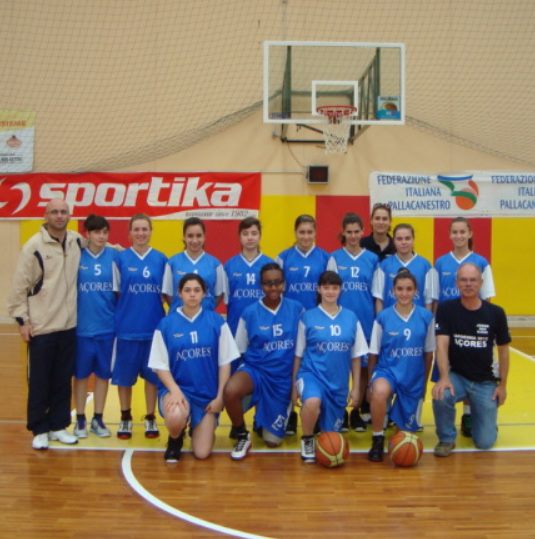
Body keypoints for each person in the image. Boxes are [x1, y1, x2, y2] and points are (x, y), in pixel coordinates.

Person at [8, 198, 81, 450]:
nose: (59, 216)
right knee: (40, 381)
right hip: (42, 327)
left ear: (69, 215)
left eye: (63, 212)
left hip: (68, 326)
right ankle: (39, 428)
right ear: (45, 216)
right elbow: (19, 287)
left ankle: (59, 425)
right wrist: (22, 320)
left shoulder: (75, 241)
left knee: (62, 380)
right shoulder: (33, 246)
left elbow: (101, 246)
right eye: (54, 212)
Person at [148, 274, 239, 462]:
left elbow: (225, 363)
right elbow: (160, 366)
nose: (192, 294)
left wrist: (220, 397)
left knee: (202, 453)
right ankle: (175, 438)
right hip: (178, 390)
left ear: (204, 294)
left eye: (197, 290)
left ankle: (198, 426)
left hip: (206, 395)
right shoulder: (166, 324)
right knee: (175, 416)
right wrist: (175, 391)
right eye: (187, 290)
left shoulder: (217, 322)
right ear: (179, 293)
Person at [223, 263, 303, 460]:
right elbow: (240, 349)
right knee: (231, 391)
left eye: (277, 283)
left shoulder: (297, 309)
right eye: (268, 283)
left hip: (282, 378)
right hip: (256, 370)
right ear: (261, 285)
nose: (273, 287)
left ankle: (264, 417)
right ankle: (242, 433)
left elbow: (303, 349)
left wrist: (296, 382)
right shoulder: (249, 313)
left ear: (284, 284)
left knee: (272, 442)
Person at [432, 263, 510, 457]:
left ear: (481, 283)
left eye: (473, 280)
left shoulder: (496, 313)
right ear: (457, 283)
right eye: (464, 280)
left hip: (485, 381)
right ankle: (446, 439)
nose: (468, 284)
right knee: (441, 394)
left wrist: (502, 385)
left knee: (485, 442)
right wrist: (444, 377)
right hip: (457, 376)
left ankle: (484, 421)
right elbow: (441, 345)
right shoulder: (446, 309)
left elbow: (503, 352)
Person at [292, 271, 368, 463]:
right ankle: (307, 439)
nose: (330, 292)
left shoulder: (351, 318)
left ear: (340, 290)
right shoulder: (307, 317)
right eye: (326, 287)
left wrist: (356, 388)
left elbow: (356, 357)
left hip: (338, 382)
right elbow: (298, 355)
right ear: (319, 289)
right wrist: (294, 386)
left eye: (334, 288)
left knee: (330, 438)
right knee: (312, 402)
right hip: (312, 374)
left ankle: (322, 432)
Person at [433, 216, 496, 437]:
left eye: (462, 232)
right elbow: (436, 298)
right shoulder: (441, 263)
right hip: (448, 325)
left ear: (470, 234)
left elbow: (487, 298)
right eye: (455, 232)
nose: (458, 236)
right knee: (448, 369)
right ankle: (447, 424)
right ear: (449, 235)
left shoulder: (481, 262)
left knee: (472, 367)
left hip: (472, 325)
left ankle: (468, 414)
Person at [367, 269, 435, 462]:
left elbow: (428, 353)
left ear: (416, 292)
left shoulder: (426, 317)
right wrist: (370, 384)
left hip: (413, 376)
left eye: (408, 289)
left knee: (403, 439)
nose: (404, 293)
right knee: (379, 392)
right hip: (387, 371)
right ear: (393, 291)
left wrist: (423, 383)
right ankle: (377, 438)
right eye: (400, 289)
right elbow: (373, 353)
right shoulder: (383, 317)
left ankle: (398, 433)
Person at [112, 214, 167, 440]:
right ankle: (125, 417)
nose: (141, 233)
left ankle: (150, 416)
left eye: (145, 229)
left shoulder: (161, 260)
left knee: (152, 378)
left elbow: (165, 294)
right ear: (129, 233)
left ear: (151, 231)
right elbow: (116, 293)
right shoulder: (120, 259)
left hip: (153, 329)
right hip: (127, 329)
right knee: (124, 378)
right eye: (136, 229)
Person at [276, 214, 329, 435]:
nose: (306, 236)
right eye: (302, 232)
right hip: (291, 323)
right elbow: (278, 293)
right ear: (295, 233)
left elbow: (330, 291)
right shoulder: (283, 258)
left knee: (315, 368)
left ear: (315, 233)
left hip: (317, 324)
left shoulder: (326, 258)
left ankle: (315, 414)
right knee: (290, 367)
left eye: (310, 232)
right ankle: (289, 413)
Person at [327, 212, 379, 432]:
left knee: (364, 368)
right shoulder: (334, 258)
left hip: (365, 320)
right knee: (340, 368)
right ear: (343, 233)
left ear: (363, 232)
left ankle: (356, 410)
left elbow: (376, 294)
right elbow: (329, 291)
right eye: (349, 232)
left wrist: (376, 322)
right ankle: (339, 410)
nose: (353, 236)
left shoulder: (372, 259)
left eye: (357, 231)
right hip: (341, 320)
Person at [73, 214, 118, 438]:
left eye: (104, 232)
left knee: (102, 375)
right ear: (87, 234)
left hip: (107, 328)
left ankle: (98, 419)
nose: (101, 236)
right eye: (96, 232)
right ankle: (80, 419)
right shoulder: (77, 256)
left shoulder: (115, 256)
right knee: (80, 376)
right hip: (81, 329)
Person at [223, 217, 274, 337]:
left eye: (254, 233)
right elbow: (226, 299)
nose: (250, 237)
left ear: (260, 236)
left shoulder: (270, 264)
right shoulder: (229, 265)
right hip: (235, 325)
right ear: (239, 237)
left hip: (264, 324)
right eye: (245, 234)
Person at [163, 217, 225, 311]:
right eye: (190, 236)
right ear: (184, 237)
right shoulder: (172, 263)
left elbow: (219, 294)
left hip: (205, 318)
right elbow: (168, 294)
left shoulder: (215, 264)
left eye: (199, 236)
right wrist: (181, 312)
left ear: (204, 237)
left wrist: (205, 310)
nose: (195, 240)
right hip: (178, 318)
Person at [372, 223, 437, 313]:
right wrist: (380, 320)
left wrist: (426, 320)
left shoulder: (426, 266)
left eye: (407, 238)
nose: (403, 242)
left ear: (413, 240)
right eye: (399, 239)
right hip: (390, 320)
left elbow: (428, 302)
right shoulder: (384, 265)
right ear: (394, 241)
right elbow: (379, 299)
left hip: (417, 319)